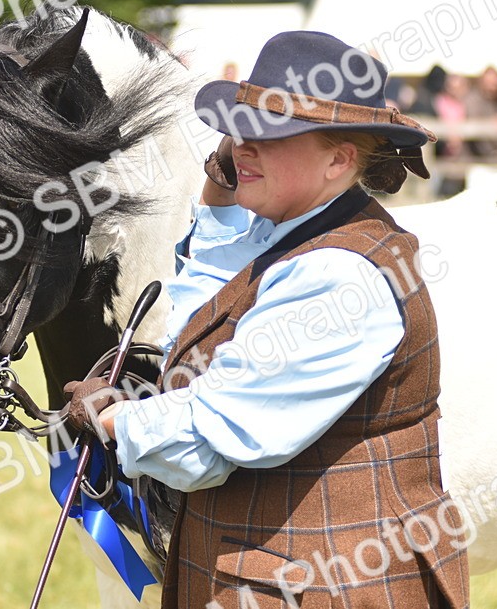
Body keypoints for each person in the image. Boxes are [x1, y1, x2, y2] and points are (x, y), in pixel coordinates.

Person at [64, 32, 469, 608]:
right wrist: (226, 180)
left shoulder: (335, 275)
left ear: (338, 158)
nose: (241, 146)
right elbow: (201, 311)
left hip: (330, 587)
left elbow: (206, 441)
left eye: (270, 134)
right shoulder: (289, 232)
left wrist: (113, 422)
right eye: (240, 128)